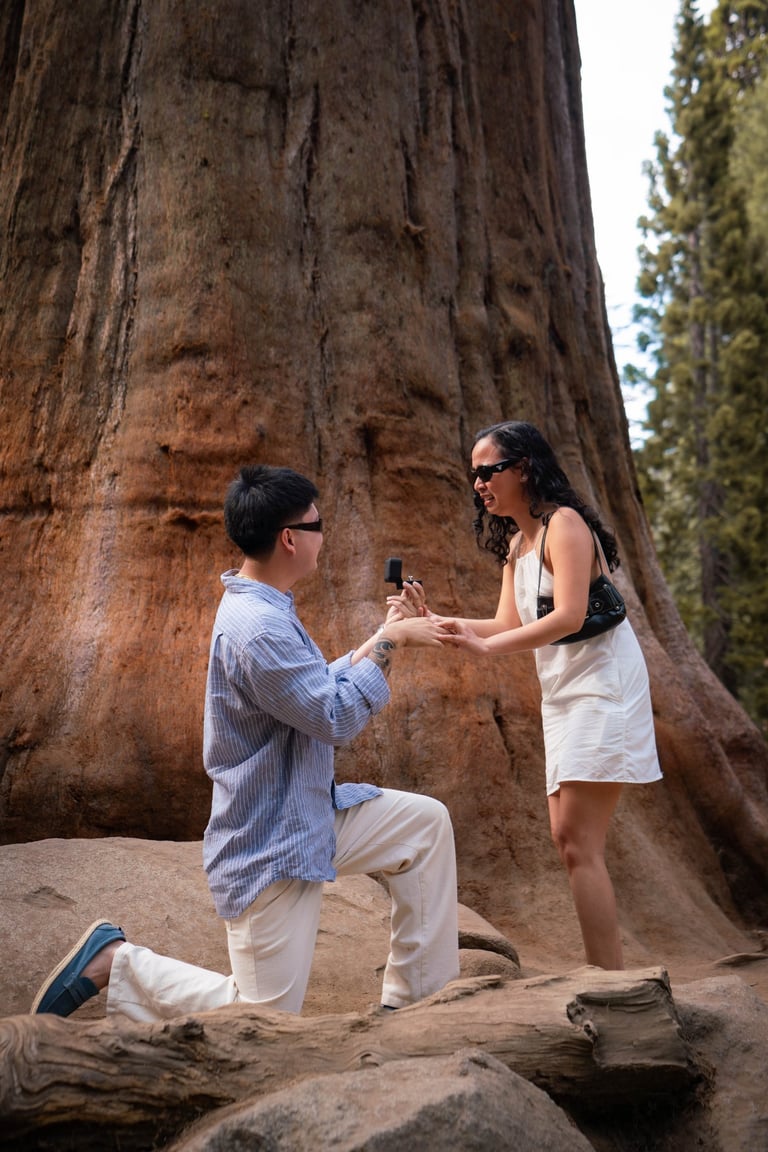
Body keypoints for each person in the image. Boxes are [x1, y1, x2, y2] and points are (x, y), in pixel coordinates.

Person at [31, 465, 460, 1019]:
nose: (322, 535)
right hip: (272, 841)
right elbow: (334, 716)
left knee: (424, 826)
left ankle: (415, 1010)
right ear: (289, 539)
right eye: (317, 523)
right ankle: (117, 962)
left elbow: (311, 689)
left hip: (308, 815)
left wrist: (384, 635)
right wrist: (392, 644)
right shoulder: (258, 627)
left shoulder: (266, 606)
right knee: (261, 1018)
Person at [392, 421, 662, 971]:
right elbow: (501, 623)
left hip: (602, 687)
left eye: (489, 471)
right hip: (563, 693)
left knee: (577, 841)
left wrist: (487, 652)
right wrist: (436, 620)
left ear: (524, 468)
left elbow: (569, 615)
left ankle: (610, 983)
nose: (479, 484)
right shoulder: (519, 543)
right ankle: (604, 975)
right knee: (568, 841)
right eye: (474, 475)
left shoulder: (564, 525)